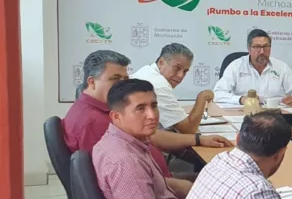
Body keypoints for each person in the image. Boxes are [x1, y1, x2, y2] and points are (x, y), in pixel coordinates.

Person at [62, 50, 231, 176]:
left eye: (125, 79)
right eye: (115, 79)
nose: (122, 86)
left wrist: (199, 139)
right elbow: (119, 182)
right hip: (155, 187)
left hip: (158, 178)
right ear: (92, 82)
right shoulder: (92, 123)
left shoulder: (105, 109)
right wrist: (179, 187)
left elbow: (152, 137)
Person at [92, 79, 190, 199]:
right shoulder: (126, 162)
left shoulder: (120, 140)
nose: (152, 116)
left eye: (154, 105)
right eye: (140, 109)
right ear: (116, 116)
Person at [132, 43, 215, 134]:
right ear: (161, 63)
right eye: (177, 68)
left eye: (185, 71)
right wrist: (202, 97)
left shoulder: (147, 70)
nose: (180, 75)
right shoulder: (159, 85)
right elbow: (189, 130)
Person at [213, 29, 292, 106]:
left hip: (274, 114)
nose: (262, 52)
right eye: (257, 47)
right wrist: (241, 99)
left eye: (266, 47)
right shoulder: (236, 66)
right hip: (244, 113)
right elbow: (217, 93)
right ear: (249, 49)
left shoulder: (281, 67)